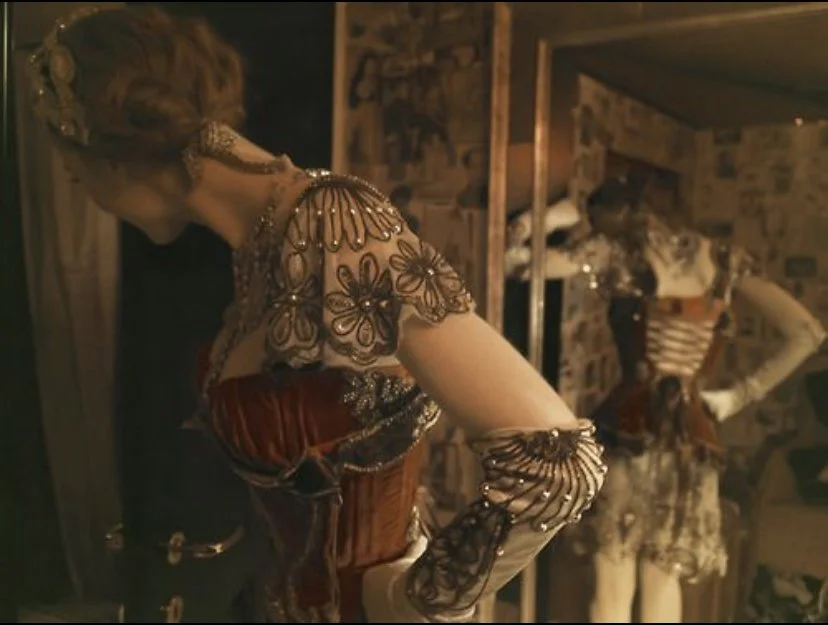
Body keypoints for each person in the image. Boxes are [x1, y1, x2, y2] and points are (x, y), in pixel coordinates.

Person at [28, 6, 606, 623]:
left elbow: (558, 461)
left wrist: (412, 602)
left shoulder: (329, 220)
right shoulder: (261, 247)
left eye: (74, 174)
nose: (87, 196)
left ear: (111, 158)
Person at [505, 175, 826, 623]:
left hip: (628, 431)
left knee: (613, 584)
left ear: (619, 217)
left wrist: (540, 220)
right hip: (691, 443)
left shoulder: (614, 253)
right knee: (664, 581)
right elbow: (808, 333)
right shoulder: (721, 259)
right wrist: (736, 397)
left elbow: (515, 264)